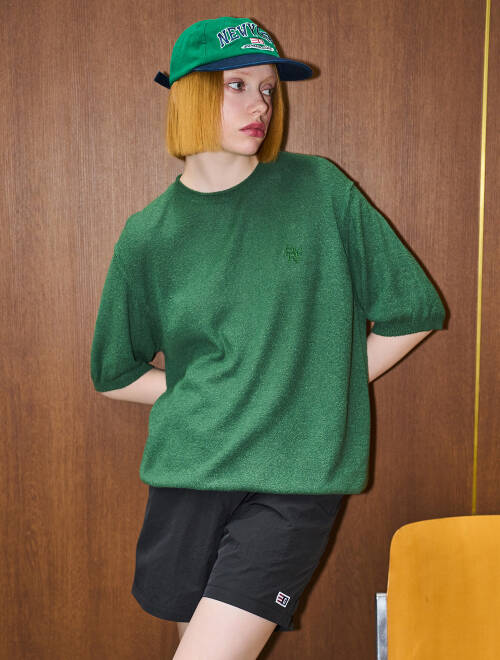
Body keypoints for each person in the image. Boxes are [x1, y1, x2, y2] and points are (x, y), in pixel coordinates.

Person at [90, 16, 446, 659]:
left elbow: (413, 312)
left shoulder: (319, 189)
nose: (260, 104)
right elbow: (115, 373)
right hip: (187, 475)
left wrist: (310, 391)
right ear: (189, 94)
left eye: (268, 89)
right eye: (237, 86)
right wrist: (216, 395)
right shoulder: (149, 234)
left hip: (292, 479)